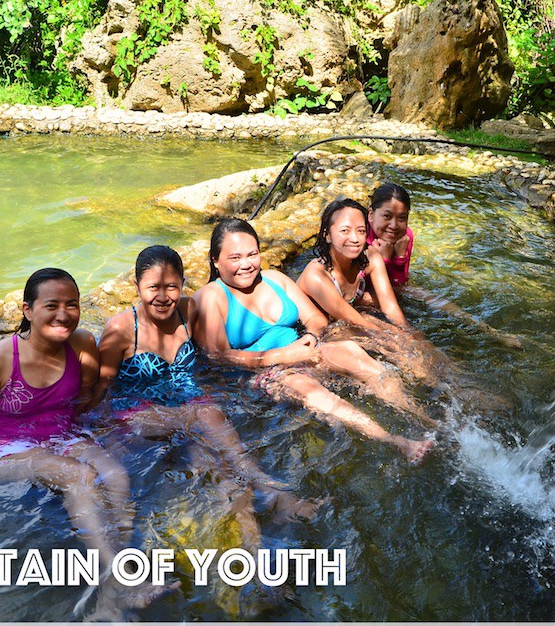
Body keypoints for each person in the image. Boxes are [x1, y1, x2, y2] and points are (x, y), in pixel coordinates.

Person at [0, 268, 169, 617]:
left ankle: (109, 595)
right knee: (79, 477)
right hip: (6, 449)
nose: (63, 314)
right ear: (28, 310)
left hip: (62, 435)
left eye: (71, 304)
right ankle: (123, 579)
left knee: (116, 476)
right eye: (52, 305)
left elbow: (86, 398)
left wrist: (105, 435)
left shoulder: (82, 345)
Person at [91, 246, 317, 545]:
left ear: (182, 284)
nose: (163, 296)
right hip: (138, 412)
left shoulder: (188, 311)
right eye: (153, 288)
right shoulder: (120, 328)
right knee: (207, 413)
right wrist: (104, 437)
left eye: (171, 286)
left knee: (222, 473)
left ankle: (256, 547)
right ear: (136, 287)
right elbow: (99, 391)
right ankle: (270, 487)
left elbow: (209, 356)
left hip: (188, 404)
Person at [192, 218, 434, 462]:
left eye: (252, 254)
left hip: (304, 353)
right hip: (261, 375)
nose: (246, 264)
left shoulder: (274, 279)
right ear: (215, 260)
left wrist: (309, 339)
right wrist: (285, 356)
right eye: (235, 258)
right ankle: (395, 441)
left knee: (351, 350)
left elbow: (316, 320)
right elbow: (217, 356)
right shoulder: (211, 297)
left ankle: (424, 417)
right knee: (307, 388)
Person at [366, 183, 522, 350]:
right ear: (371, 215)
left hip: (394, 289)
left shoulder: (404, 237)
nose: (394, 225)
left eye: (402, 218)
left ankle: (489, 331)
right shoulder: (360, 240)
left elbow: (400, 283)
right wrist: (386, 260)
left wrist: (398, 257)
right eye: (387, 216)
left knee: (437, 301)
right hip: (367, 295)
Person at [297, 197, 408, 330]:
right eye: (345, 231)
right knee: (354, 327)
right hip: (306, 332)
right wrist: (399, 344)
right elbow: (360, 324)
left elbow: (391, 308)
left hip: (349, 319)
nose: (355, 239)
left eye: (361, 231)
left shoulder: (370, 257)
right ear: (328, 235)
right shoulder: (316, 276)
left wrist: (410, 335)